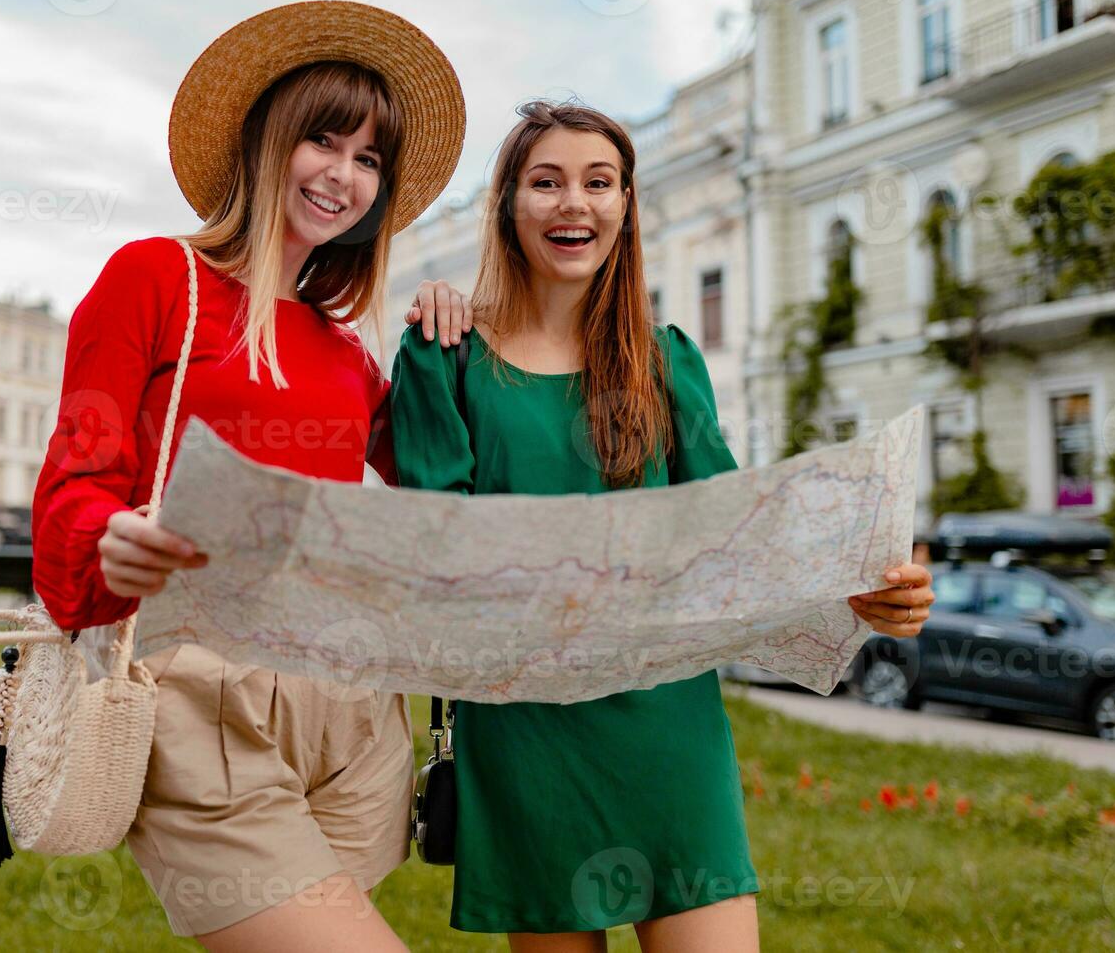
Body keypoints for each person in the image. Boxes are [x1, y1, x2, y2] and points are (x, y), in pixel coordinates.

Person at [389, 100, 936, 953]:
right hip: (529, 726)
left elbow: (735, 537)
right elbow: (438, 549)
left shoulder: (666, 359)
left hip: (666, 721)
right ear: (507, 205)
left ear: (626, 206)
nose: (575, 203)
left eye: (599, 183)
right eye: (547, 183)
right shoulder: (444, 355)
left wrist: (857, 586)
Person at [30, 1, 468, 953]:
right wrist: (111, 537)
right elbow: (74, 485)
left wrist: (455, 341)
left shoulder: (344, 351)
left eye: (369, 160)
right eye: (324, 139)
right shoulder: (152, 280)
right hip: (200, 704)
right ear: (268, 141)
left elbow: (454, 491)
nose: (344, 175)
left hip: (350, 717)